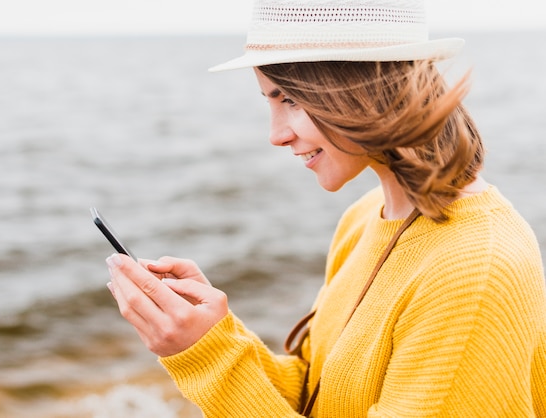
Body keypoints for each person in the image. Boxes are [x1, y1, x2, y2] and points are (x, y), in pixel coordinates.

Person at [103, 0, 546, 416]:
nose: (276, 135)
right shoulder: (365, 217)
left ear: (363, 91)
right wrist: (209, 335)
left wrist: (208, 360)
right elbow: (319, 391)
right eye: (271, 100)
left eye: (290, 99)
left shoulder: (475, 272)